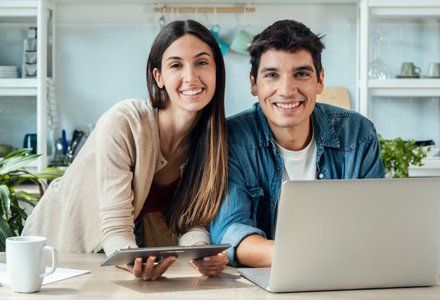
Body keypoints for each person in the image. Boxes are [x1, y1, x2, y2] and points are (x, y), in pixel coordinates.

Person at [24, 20, 229, 280]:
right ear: (159, 77)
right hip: (61, 253)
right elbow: (115, 228)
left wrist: (202, 252)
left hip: (124, 256)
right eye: (176, 65)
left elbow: (193, 221)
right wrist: (131, 257)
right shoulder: (125, 122)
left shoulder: (214, 139)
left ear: (216, 72)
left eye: (202, 62)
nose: (191, 76)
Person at [210, 20, 385, 267]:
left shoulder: (358, 134)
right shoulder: (230, 139)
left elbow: (375, 225)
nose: (287, 90)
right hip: (262, 283)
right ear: (253, 83)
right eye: (272, 75)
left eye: (301, 74)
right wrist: (311, 257)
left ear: (320, 80)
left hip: (345, 277)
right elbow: (231, 234)